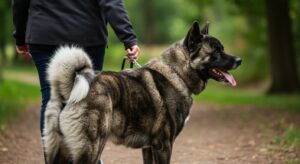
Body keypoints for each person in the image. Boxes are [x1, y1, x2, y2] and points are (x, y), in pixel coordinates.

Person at [12, 0, 140, 163]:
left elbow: (19, 3)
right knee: (87, 101)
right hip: (87, 35)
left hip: (44, 34)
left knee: (52, 99)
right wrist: (128, 37)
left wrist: (20, 36)